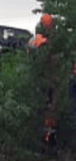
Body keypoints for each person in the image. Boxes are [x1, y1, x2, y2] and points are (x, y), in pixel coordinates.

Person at [28, 14, 58, 153]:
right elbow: (52, 65)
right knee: (49, 112)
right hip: (47, 82)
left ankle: (37, 142)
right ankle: (47, 144)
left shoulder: (32, 41)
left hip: (35, 81)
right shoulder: (47, 44)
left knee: (38, 112)